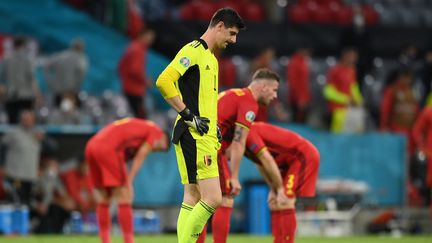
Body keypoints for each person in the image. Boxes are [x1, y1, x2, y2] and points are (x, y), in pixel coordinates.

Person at [155, 7, 245, 243]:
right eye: (232, 33)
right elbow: (164, 81)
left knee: (192, 196)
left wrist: (212, 123)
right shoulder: (193, 51)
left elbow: (204, 98)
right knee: (214, 198)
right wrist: (187, 114)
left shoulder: (211, 59)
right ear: (220, 26)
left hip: (201, 134)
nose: (233, 40)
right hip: (194, 135)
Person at [198, 68, 281, 243]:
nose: (275, 96)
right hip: (209, 146)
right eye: (274, 90)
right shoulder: (249, 102)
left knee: (199, 198)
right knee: (227, 195)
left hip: (193, 141)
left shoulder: (233, 94)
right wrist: (234, 177)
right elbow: (239, 141)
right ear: (264, 87)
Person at [85, 118, 169, 243]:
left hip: (92, 146)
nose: (157, 150)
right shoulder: (155, 131)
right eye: (162, 147)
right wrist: (129, 180)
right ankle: (129, 240)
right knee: (126, 195)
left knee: (104, 197)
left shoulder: (142, 128)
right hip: (108, 149)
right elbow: (141, 155)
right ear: (163, 137)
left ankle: (105, 240)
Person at [245, 122, 320, 243]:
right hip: (287, 163)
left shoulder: (247, 132)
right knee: (275, 202)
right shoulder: (242, 140)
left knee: (285, 200)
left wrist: (279, 189)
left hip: (302, 156)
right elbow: (261, 163)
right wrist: (273, 188)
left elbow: (267, 159)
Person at [1, 110, 43, 205]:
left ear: (33, 120)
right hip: (15, 175)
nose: (26, 121)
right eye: (24, 119)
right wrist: (2, 164)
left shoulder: (36, 134)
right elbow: (2, 147)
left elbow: (52, 148)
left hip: (30, 176)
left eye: (28, 119)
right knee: (16, 201)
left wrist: (44, 139)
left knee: (28, 203)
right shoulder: (13, 134)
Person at [0, 36, 40, 124]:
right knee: (28, 121)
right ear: (24, 45)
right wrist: (37, 95)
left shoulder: (6, 59)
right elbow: (32, 78)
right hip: (27, 95)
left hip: (11, 94)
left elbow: (2, 79)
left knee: (12, 120)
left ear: (13, 45)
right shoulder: (28, 59)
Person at [323, 47, 363, 133]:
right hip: (338, 109)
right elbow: (328, 92)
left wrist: (359, 100)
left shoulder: (352, 70)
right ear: (345, 56)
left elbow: (353, 87)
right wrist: (345, 100)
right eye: (352, 57)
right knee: (338, 135)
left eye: (355, 57)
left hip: (350, 109)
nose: (354, 60)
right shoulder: (335, 71)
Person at [118, 28, 156, 118]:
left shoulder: (132, 47)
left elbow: (120, 67)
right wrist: (145, 81)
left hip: (129, 88)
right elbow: (135, 70)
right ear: (142, 35)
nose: (150, 40)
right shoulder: (138, 50)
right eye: (149, 37)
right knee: (141, 118)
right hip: (135, 90)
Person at [380, 69, 418, 155]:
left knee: (407, 154)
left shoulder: (412, 92)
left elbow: (416, 110)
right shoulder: (392, 90)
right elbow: (385, 110)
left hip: (409, 131)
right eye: (405, 78)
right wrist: (384, 127)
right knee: (395, 154)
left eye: (409, 79)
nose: (407, 81)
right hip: (396, 129)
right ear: (400, 78)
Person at [44, 38, 88, 107]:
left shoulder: (61, 55)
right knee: (71, 114)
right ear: (82, 48)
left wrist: (50, 82)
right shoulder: (81, 59)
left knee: (56, 112)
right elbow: (81, 75)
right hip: (70, 92)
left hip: (57, 90)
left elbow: (46, 65)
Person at [287, 46, 311, 123]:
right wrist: (300, 98)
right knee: (298, 120)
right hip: (298, 98)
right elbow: (293, 83)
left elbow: (304, 82)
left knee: (303, 119)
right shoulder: (295, 63)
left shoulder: (304, 61)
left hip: (303, 96)